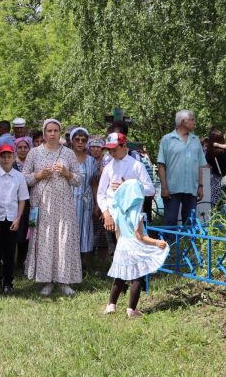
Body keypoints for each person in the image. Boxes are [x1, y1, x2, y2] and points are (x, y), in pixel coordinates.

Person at [98, 132, 163, 317]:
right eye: (109, 150)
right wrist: (106, 213)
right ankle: (117, 301)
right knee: (117, 256)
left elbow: (149, 188)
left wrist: (129, 185)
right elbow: (101, 193)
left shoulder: (136, 165)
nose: (111, 153)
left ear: (124, 147)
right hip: (114, 217)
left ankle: (124, 302)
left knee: (131, 260)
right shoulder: (109, 167)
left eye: (114, 149)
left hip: (130, 215)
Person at [22, 119, 82, 296]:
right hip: (42, 203)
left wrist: (67, 173)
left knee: (63, 239)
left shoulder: (69, 153)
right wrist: (39, 175)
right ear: (44, 133)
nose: (53, 134)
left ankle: (64, 281)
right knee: (45, 240)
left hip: (64, 204)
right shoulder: (34, 153)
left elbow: (78, 180)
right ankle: (46, 281)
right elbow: (24, 178)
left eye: (56, 130)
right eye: (49, 130)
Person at [102, 177, 167, 318]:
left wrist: (121, 245)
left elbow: (117, 231)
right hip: (134, 246)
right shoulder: (137, 213)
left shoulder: (118, 209)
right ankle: (132, 310)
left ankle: (111, 305)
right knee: (136, 277)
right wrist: (156, 243)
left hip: (122, 245)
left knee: (119, 277)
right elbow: (139, 236)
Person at [0, 144, 29, 293]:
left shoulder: (19, 176)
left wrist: (18, 218)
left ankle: (8, 283)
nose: (6, 159)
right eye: (3, 156)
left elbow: (22, 199)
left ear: (14, 158)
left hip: (12, 218)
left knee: (10, 252)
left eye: (9, 156)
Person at [157, 110, 206, 227]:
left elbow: (200, 165)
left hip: (191, 188)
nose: (195, 122)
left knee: (190, 222)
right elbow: (161, 165)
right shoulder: (167, 139)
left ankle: (188, 244)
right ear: (183, 121)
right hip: (172, 188)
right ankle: (170, 244)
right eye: (192, 119)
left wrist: (200, 186)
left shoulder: (196, 140)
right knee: (170, 221)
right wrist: (163, 187)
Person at [70, 127, 97, 266]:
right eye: (77, 139)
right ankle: (69, 264)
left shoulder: (91, 161)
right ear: (72, 141)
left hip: (86, 201)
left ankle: (82, 266)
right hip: (68, 200)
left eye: (83, 140)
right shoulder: (66, 157)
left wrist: (97, 204)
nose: (80, 142)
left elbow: (93, 183)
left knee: (84, 231)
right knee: (69, 231)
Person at [13, 136, 33, 268]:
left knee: (28, 234)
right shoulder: (12, 163)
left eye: (26, 147)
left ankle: (23, 263)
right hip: (14, 203)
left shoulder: (33, 163)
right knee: (16, 233)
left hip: (31, 203)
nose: (23, 150)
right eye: (20, 147)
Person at [205, 128, 226, 207]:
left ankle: (216, 218)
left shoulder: (209, 153)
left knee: (215, 204)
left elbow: (208, 164)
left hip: (216, 180)